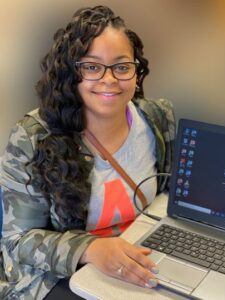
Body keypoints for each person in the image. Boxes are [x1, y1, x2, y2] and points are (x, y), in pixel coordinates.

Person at [0, 5, 175, 300]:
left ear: (136, 70)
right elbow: (18, 241)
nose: (109, 79)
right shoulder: (33, 137)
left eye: (121, 66)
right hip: (56, 276)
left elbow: (169, 196)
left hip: (138, 258)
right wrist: (90, 248)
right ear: (71, 72)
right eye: (92, 67)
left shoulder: (158, 117)